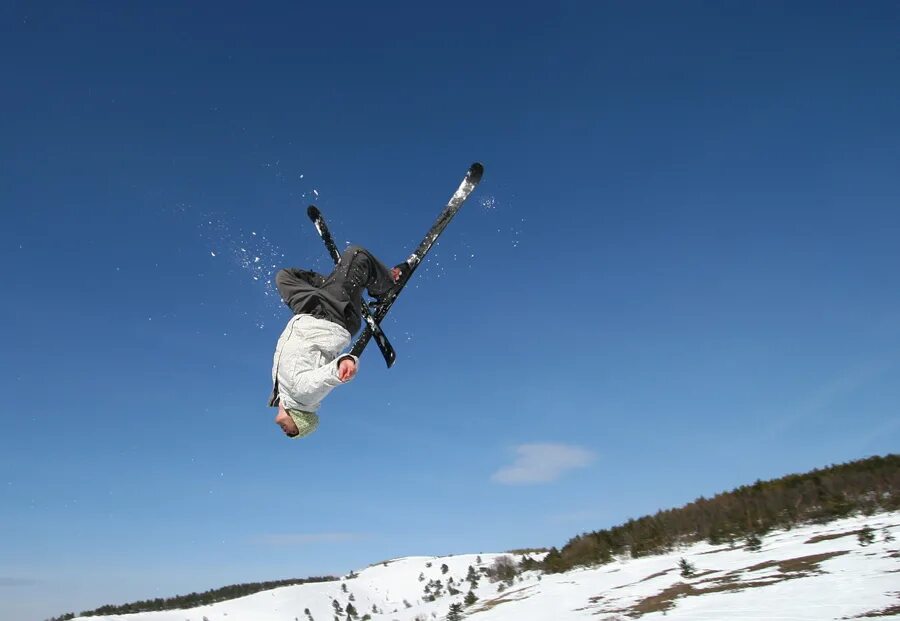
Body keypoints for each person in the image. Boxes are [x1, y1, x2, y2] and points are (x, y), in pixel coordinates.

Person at [269, 245, 405, 439]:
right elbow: (323, 378)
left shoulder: (285, 394)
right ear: (302, 420)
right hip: (331, 317)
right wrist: (342, 364)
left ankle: (333, 282)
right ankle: (386, 286)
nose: (287, 433)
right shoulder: (303, 396)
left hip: (310, 311)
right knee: (357, 255)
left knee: (285, 277)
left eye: (290, 433)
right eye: (295, 432)